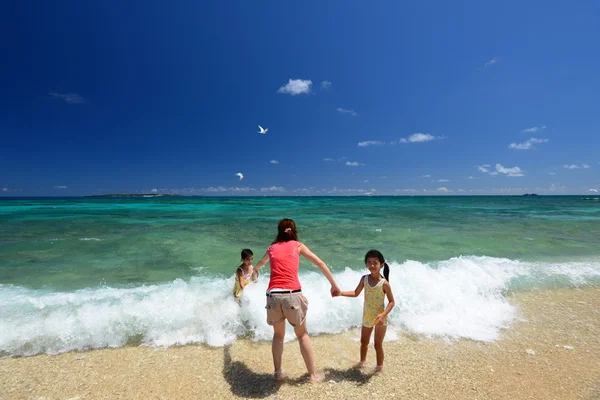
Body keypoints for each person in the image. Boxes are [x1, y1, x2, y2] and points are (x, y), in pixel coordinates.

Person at [254, 218, 341, 383]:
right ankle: (312, 376)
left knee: (278, 336)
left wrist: (255, 271)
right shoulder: (298, 246)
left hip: (273, 295)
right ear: (293, 231)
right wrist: (333, 285)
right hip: (292, 295)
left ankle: (278, 372)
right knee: (302, 335)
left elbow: (261, 262)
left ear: (279, 231)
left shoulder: (272, 248)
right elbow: (320, 263)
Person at [339, 249, 395, 372]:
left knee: (377, 345)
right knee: (364, 342)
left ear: (382, 264)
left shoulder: (384, 283)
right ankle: (362, 362)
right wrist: (340, 293)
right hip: (368, 316)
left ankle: (379, 368)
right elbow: (355, 293)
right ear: (366, 264)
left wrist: (383, 314)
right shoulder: (364, 279)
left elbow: (392, 302)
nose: (372, 265)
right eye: (369, 262)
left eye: (375, 262)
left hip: (380, 318)